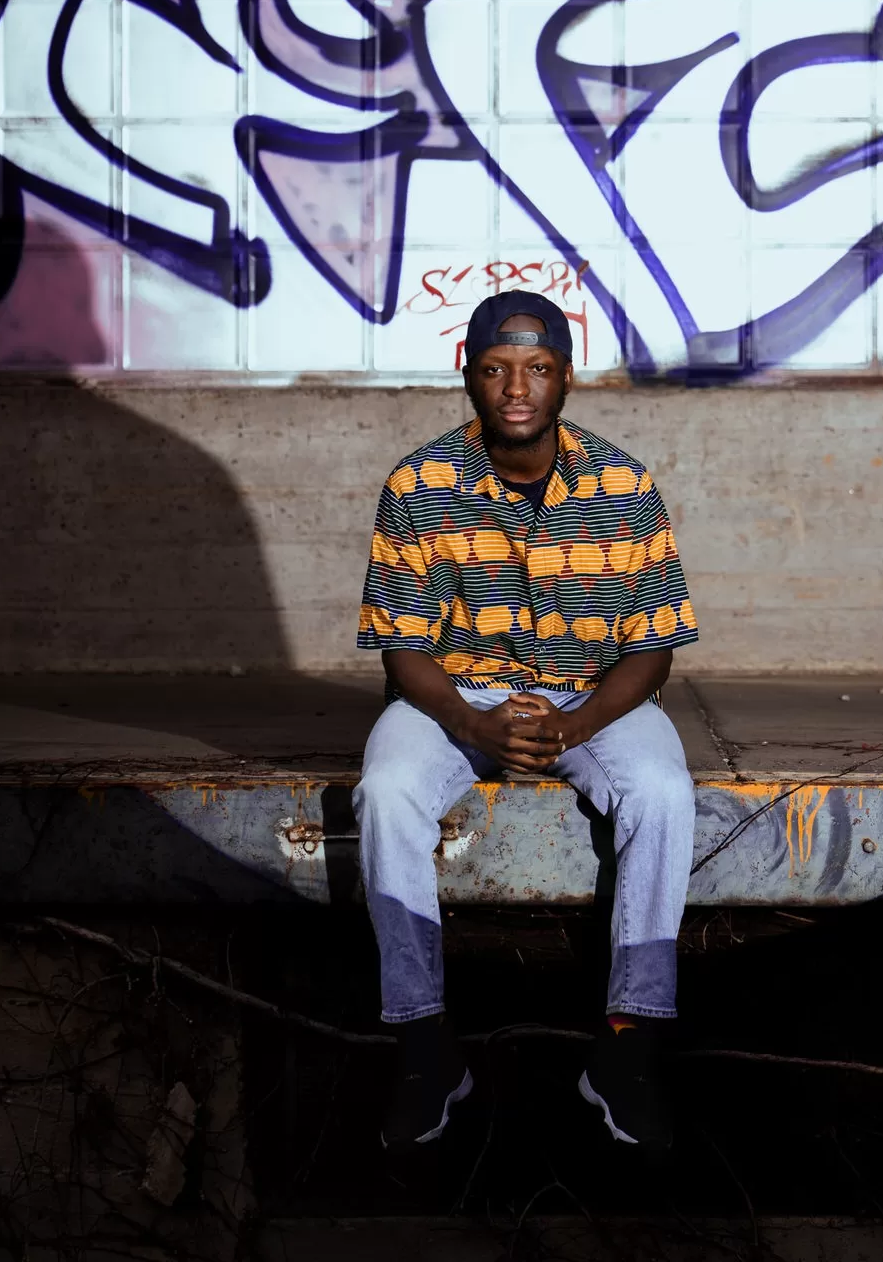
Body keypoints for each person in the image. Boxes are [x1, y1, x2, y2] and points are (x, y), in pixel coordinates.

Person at [353, 290, 700, 1152]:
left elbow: (652, 648)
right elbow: (403, 651)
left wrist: (574, 726)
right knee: (386, 791)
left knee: (660, 789)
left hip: (594, 698)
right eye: (497, 369)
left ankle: (628, 1043)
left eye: (537, 369)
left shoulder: (623, 485)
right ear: (466, 375)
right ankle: (425, 1044)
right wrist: (472, 730)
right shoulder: (418, 485)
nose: (517, 387)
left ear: (566, 378)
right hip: (453, 698)